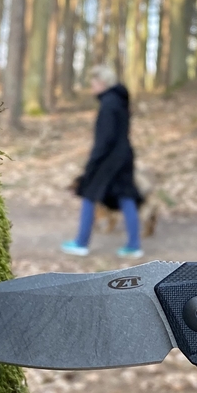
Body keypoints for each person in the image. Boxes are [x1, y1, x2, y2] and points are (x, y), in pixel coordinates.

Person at [62, 65, 144, 258]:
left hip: (109, 158)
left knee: (89, 193)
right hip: (124, 155)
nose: (92, 87)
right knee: (126, 196)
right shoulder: (120, 101)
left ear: (102, 83)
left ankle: (81, 243)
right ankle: (134, 245)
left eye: (94, 83)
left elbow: (105, 138)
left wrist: (92, 162)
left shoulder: (108, 104)